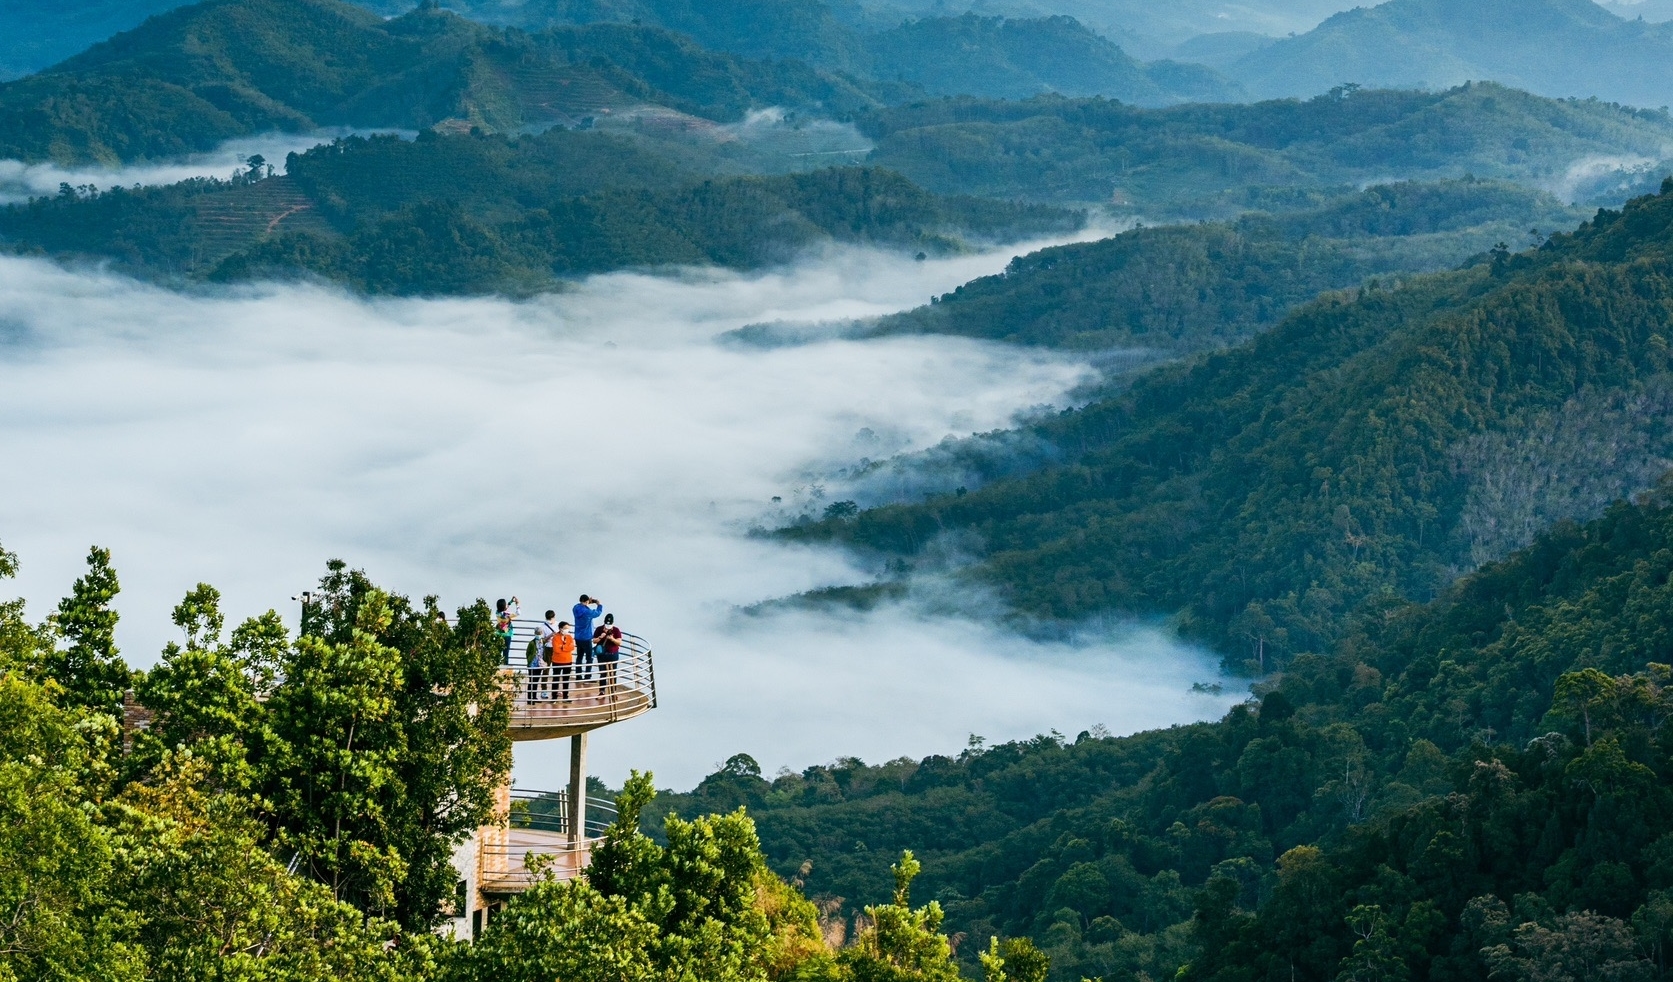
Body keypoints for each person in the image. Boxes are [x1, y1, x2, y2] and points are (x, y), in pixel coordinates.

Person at [572, 595, 603, 683]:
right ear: (586, 602)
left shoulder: (575, 608)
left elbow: (583, 605)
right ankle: (587, 677)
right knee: (589, 658)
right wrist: (599, 604)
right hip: (586, 637)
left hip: (578, 636)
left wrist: (590, 602)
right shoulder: (587, 612)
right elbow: (597, 613)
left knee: (579, 657)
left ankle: (578, 676)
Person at [532, 609, 558, 701]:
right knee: (546, 670)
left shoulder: (557, 625)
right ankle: (544, 690)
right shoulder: (543, 627)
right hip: (547, 649)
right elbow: (541, 641)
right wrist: (550, 636)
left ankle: (556, 689)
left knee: (557, 670)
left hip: (557, 649)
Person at [596, 612, 622, 698]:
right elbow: (594, 641)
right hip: (602, 655)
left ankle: (613, 692)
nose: (608, 626)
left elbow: (619, 642)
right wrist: (600, 637)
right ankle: (602, 691)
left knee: (613, 673)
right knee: (603, 673)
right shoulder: (599, 629)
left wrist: (612, 639)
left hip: (613, 653)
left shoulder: (616, 630)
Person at [550, 621, 576, 702]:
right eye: (565, 628)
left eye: (568, 628)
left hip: (568, 661)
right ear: (560, 629)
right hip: (557, 661)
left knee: (566, 679)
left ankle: (565, 697)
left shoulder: (569, 637)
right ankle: (554, 697)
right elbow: (556, 649)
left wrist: (562, 647)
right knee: (556, 679)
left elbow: (572, 647)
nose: (567, 630)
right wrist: (565, 647)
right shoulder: (555, 637)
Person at [494, 597, 520, 664]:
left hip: (498, 634)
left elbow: (504, 609)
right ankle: (505, 667)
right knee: (506, 652)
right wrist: (517, 604)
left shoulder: (497, 613)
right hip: (507, 634)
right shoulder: (507, 615)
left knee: (497, 652)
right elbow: (518, 613)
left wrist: (510, 602)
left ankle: (496, 666)